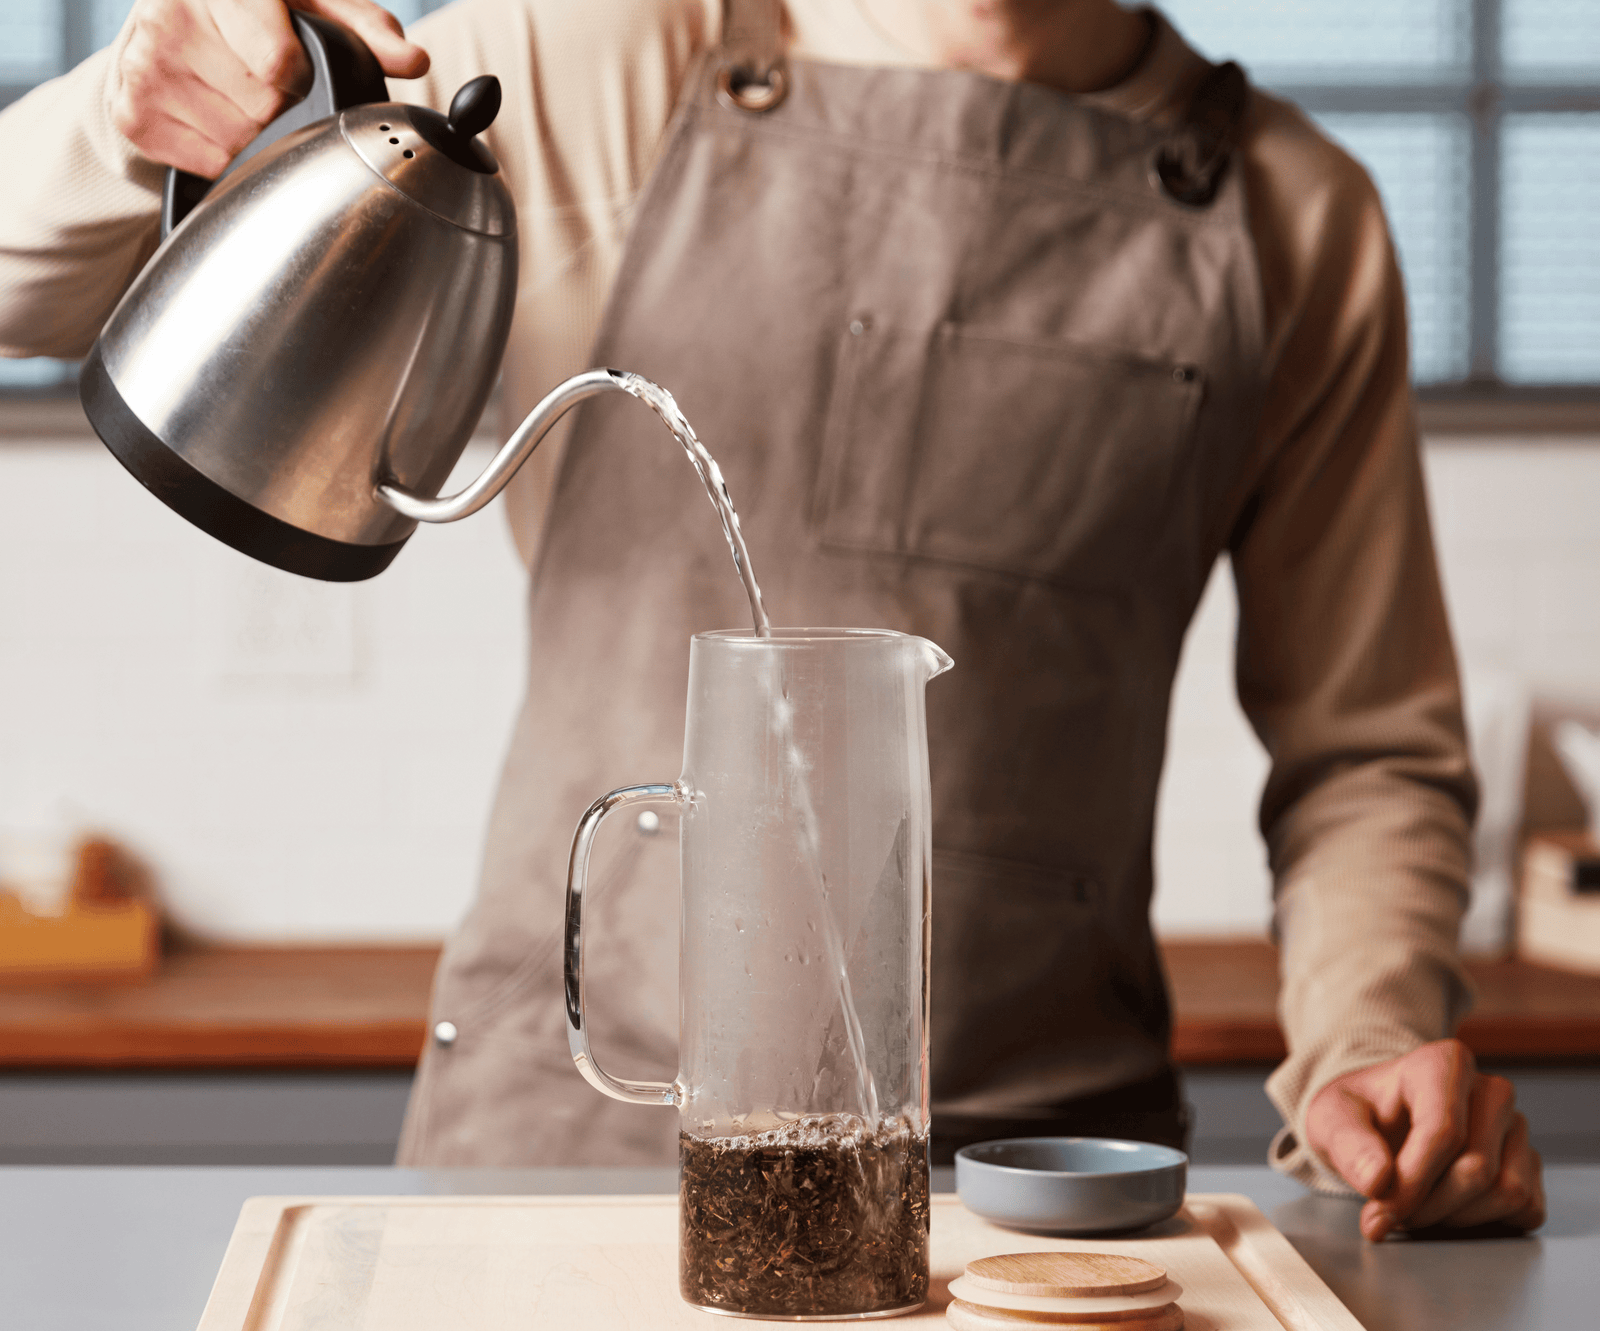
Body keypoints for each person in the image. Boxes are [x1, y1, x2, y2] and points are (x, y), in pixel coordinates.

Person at [0, 0, 1545, 1242]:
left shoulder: (1296, 214)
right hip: (556, 1161)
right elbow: (28, 284)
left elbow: (1365, 755)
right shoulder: (598, 55)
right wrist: (127, 103)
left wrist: (1364, 1042)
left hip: (1039, 1202)